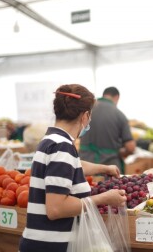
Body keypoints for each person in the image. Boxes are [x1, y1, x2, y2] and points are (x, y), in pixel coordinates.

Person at [19, 84, 126, 252]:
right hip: (50, 247)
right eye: (90, 117)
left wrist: (104, 168)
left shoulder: (51, 141)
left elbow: (72, 167)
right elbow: (56, 209)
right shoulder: (62, 146)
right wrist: (103, 198)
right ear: (85, 116)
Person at [79, 87, 136, 174]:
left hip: (85, 167)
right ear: (117, 97)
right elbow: (131, 147)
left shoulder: (86, 110)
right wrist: (121, 152)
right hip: (109, 168)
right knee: (107, 187)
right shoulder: (119, 114)